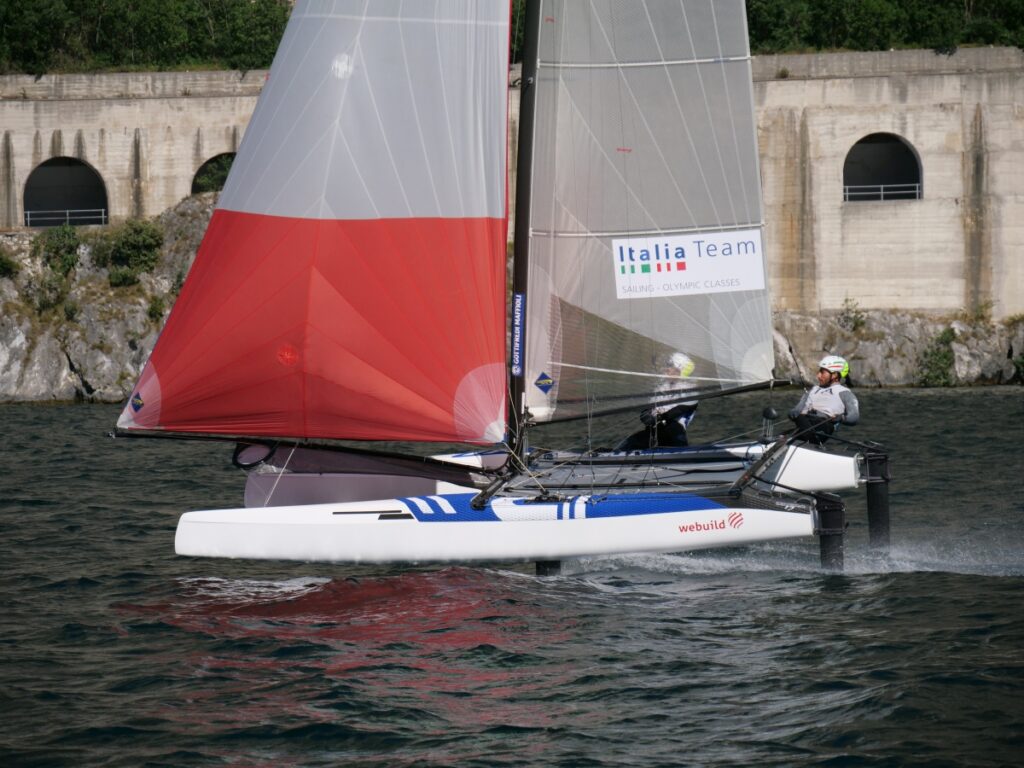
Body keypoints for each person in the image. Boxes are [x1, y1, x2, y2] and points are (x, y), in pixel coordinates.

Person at [617, 352, 698, 450]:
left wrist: (660, 417)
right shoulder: (661, 388)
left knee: (672, 429)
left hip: (674, 435)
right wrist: (645, 415)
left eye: (670, 366)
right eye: (667, 365)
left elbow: (678, 411)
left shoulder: (691, 391)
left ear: (680, 371)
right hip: (654, 432)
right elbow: (649, 408)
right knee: (627, 444)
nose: (667, 369)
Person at [789, 354, 859, 444]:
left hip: (823, 427)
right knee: (797, 422)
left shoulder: (845, 393)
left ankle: (806, 440)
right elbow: (797, 409)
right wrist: (793, 413)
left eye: (822, 372)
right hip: (804, 423)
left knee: (801, 419)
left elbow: (854, 417)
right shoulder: (813, 390)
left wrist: (841, 418)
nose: (818, 375)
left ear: (834, 375)